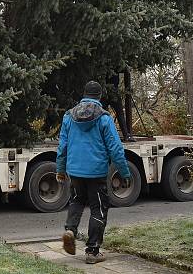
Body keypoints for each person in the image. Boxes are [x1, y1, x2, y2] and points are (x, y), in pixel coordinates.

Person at [56, 80, 131, 264]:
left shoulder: (69, 116)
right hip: (96, 172)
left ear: (84, 94)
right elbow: (115, 148)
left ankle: (70, 230)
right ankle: (92, 251)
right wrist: (124, 172)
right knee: (98, 209)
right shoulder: (104, 118)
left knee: (77, 200)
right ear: (99, 96)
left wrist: (60, 169)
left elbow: (62, 146)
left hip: (74, 170)